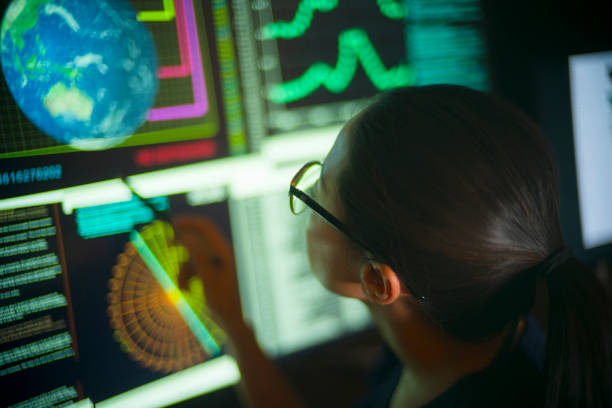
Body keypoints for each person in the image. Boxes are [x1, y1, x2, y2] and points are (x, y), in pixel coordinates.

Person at [174, 85, 612, 408]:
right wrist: (233, 323)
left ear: (378, 282)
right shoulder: (466, 331)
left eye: (318, 191)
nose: (306, 201)